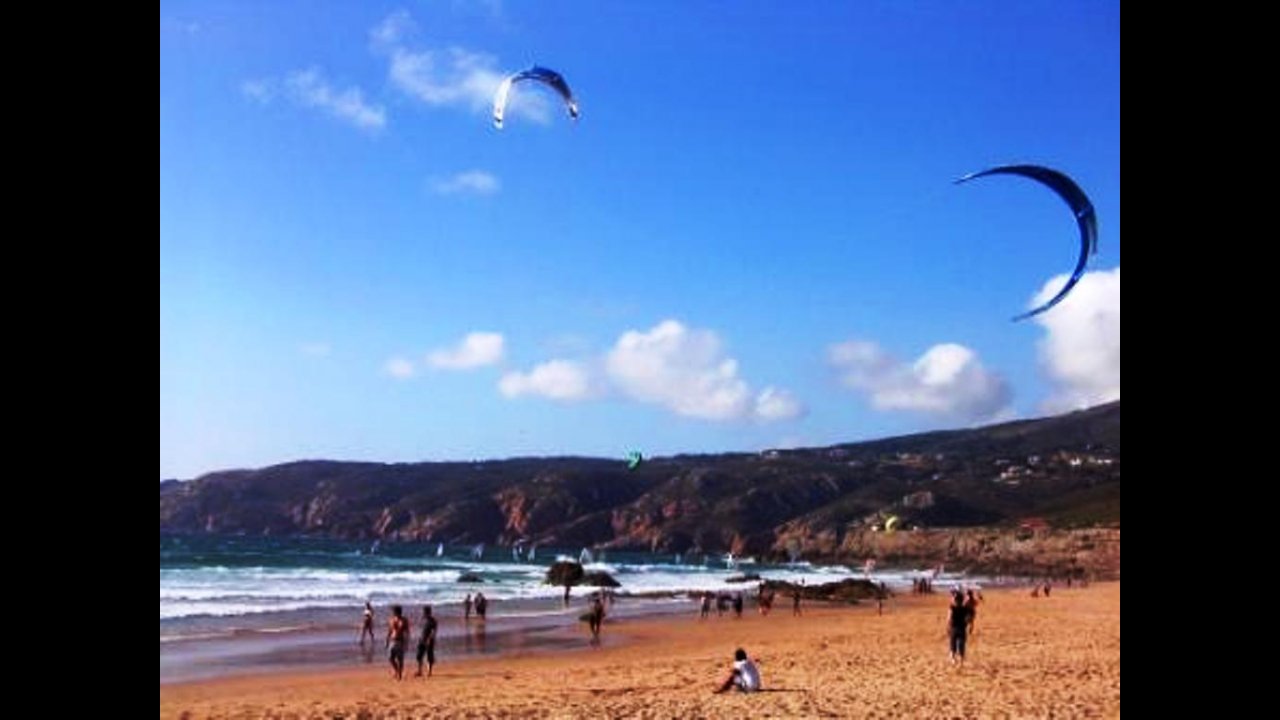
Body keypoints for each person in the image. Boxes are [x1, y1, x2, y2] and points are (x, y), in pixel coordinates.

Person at [946, 591, 971, 666]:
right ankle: (958, 659)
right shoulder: (963, 608)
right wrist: (969, 623)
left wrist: (948, 627)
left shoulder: (953, 608)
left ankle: (955, 658)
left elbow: (949, 618)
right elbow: (968, 618)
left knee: (955, 644)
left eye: (955, 599)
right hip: (960, 628)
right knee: (959, 644)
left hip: (956, 628)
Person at [385, 604, 410, 680]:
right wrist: (387, 641)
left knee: (400, 659)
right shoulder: (392, 620)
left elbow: (407, 632)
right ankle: (396, 670)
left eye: (394, 611)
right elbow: (389, 631)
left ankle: (399, 675)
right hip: (392, 640)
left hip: (400, 641)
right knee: (390, 658)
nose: (393, 613)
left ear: (397, 612)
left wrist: (406, 643)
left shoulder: (404, 620)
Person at [415, 605, 438, 678]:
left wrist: (429, 639)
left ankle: (429, 672)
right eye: (424, 612)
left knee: (429, 656)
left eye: (425, 612)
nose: (423, 613)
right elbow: (421, 630)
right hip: (421, 639)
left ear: (428, 612)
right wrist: (419, 638)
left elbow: (433, 631)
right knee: (419, 656)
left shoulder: (433, 621)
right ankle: (419, 671)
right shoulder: (423, 619)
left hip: (429, 640)